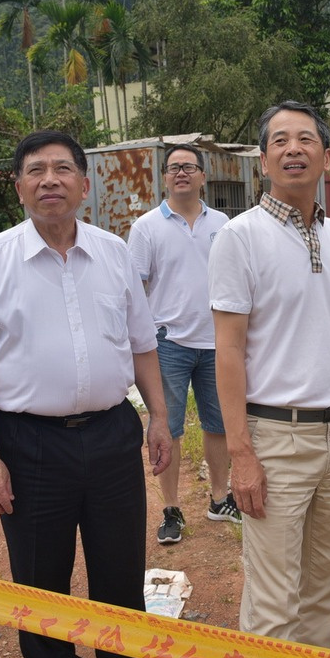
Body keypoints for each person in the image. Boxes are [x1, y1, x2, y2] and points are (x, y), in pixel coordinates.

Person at [0, 130, 171, 658]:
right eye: (35, 170)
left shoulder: (115, 255)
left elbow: (142, 345)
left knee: (119, 559)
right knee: (40, 570)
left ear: (84, 185)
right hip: (28, 441)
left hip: (112, 432)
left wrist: (159, 416)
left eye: (62, 169)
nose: (49, 180)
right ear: (18, 187)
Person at [209, 101, 330, 647]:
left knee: (327, 582)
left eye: (306, 139)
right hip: (275, 437)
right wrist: (241, 454)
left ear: (327, 157)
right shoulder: (240, 237)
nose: (293, 149)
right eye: (279, 141)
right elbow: (228, 349)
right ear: (263, 161)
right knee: (274, 590)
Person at [127, 143, 239, 545]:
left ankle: (220, 498)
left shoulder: (223, 224)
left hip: (216, 342)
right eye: (173, 167)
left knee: (219, 423)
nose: (181, 173)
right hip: (167, 342)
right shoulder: (146, 228)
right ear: (165, 177)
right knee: (167, 428)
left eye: (188, 167)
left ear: (203, 176)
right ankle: (171, 509)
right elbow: (135, 290)